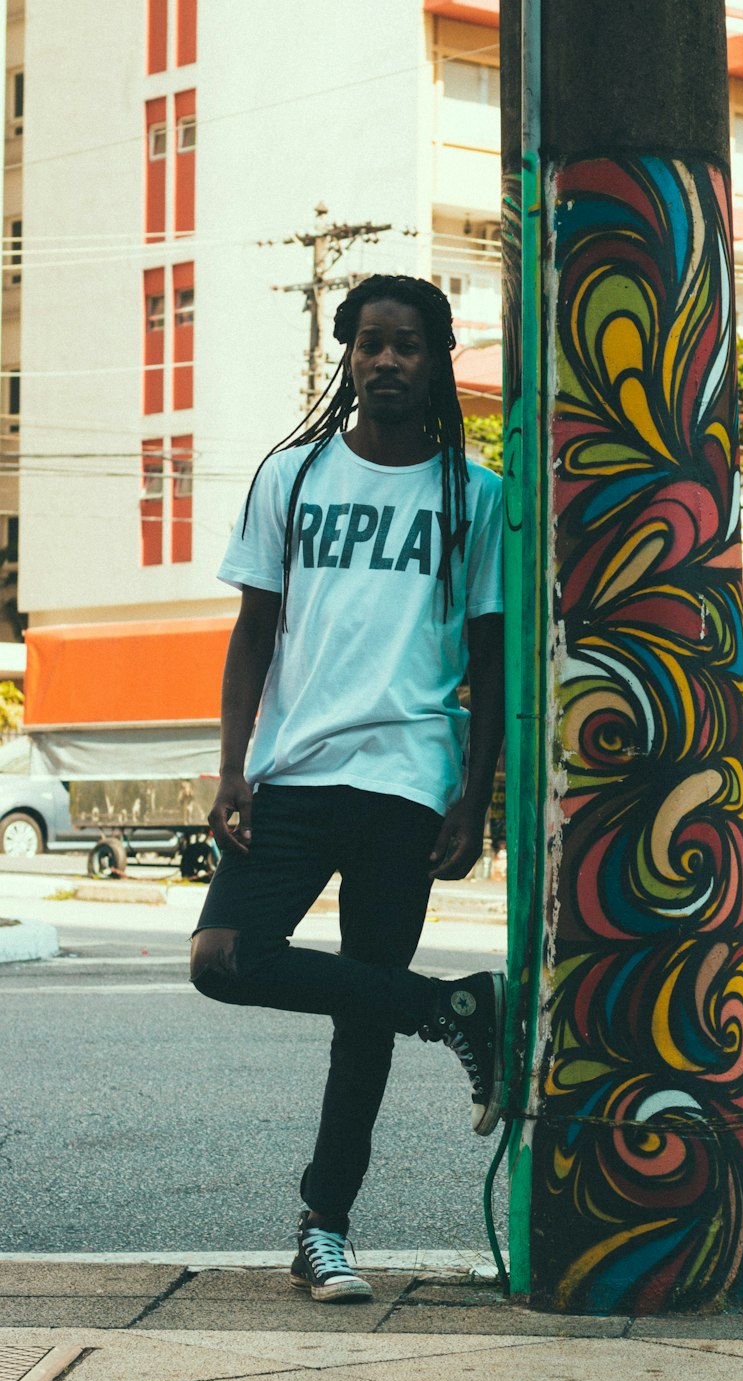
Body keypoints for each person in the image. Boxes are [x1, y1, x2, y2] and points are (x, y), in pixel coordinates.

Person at [189, 275, 506, 1303]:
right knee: (223, 959)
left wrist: (476, 795)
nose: (385, 362)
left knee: (359, 1018)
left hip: (409, 775)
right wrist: (233, 763)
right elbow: (254, 631)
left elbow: (492, 662)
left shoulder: (476, 493)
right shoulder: (292, 475)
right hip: (292, 769)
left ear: (437, 359)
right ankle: (450, 1009)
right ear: (347, 358)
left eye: (406, 345)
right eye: (368, 344)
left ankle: (325, 1228)